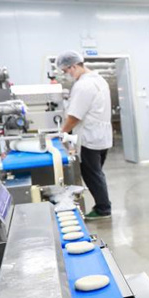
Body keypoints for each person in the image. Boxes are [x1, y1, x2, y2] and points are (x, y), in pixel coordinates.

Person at [57, 51, 113, 220]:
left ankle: (103, 209)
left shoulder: (83, 85)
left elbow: (75, 116)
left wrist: (62, 132)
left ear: (74, 66)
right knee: (96, 173)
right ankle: (103, 206)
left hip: (89, 137)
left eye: (66, 71)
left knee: (92, 174)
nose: (67, 75)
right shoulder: (99, 80)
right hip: (102, 136)